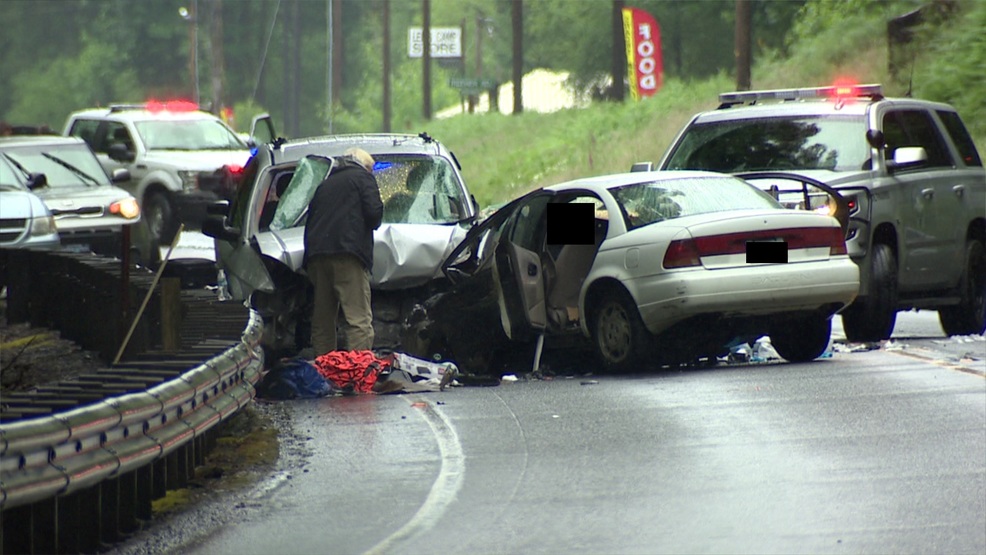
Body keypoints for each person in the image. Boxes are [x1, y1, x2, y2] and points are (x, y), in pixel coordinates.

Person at [304, 147, 383, 356]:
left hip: (317, 257)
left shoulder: (325, 184)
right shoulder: (363, 178)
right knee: (358, 319)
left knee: (323, 320)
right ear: (365, 167)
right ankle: (359, 374)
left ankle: (325, 372)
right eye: (371, 170)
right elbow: (374, 215)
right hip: (348, 255)